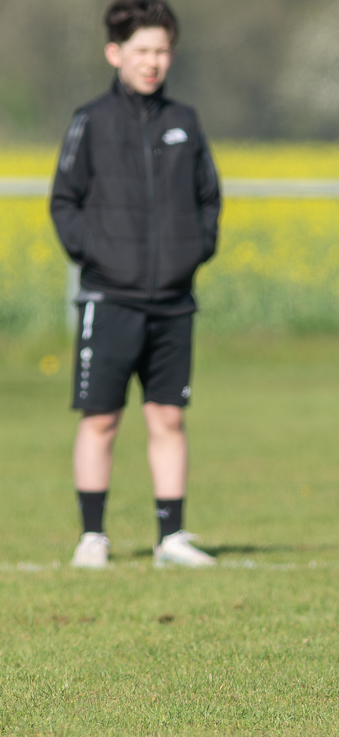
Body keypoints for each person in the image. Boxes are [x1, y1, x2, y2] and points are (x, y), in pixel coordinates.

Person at [50, 0, 221, 569]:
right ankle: (92, 537)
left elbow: (209, 199)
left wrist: (192, 252)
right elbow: (64, 201)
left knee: (167, 417)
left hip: (173, 301)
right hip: (110, 298)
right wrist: (102, 257)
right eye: (143, 50)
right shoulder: (90, 121)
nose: (153, 62)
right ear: (115, 53)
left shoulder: (186, 121)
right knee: (101, 418)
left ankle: (171, 538)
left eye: (162, 51)